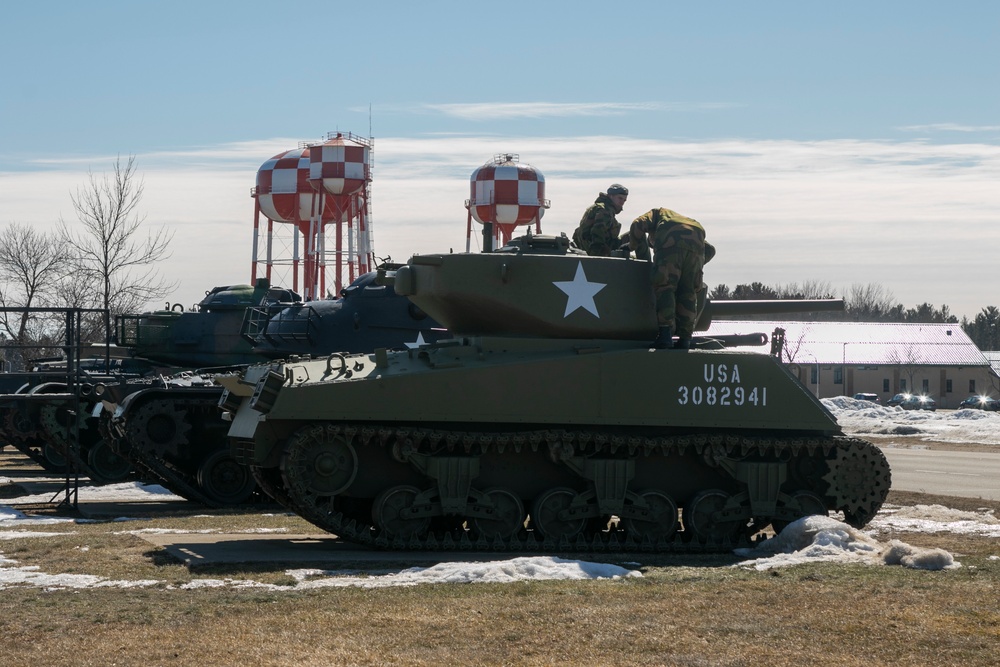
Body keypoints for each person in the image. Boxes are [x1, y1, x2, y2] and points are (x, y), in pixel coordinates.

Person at [622, 207, 711, 350]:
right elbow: (710, 250)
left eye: (652, 243)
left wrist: (632, 245)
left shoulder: (657, 214)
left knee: (665, 287)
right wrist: (695, 264)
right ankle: (685, 340)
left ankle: (665, 336)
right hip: (698, 238)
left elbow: (637, 224)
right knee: (688, 292)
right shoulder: (685, 222)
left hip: (670, 242)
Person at [572, 184, 628, 256]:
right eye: (620, 198)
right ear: (611, 196)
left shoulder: (602, 208)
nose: (622, 202)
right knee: (636, 233)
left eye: (624, 200)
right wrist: (599, 255)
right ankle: (645, 263)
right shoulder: (604, 210)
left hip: (592, 247)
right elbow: (598, 233)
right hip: (595, 250)